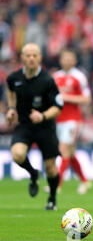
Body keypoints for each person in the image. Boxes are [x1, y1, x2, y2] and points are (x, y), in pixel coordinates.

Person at [5, 43, 63, 210]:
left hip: (45, 127)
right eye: (27, 55)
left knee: (51, 168)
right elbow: (10, 91)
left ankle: (52, 198)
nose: (31, 58)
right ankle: (33, 173)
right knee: (17, 155)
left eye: (34, 55)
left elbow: (58, 106)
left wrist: (43, 115)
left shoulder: (47, 80)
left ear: (40, 58)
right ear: (22, 58)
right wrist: (11, 109)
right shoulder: (14, 78)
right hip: (25, 126)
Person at [52, 48, 92, 194]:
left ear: (75, 60)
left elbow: (87, 98)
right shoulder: (55, 76)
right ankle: (85, 181)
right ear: (60, 60)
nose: (67, 60)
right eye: (65, 58)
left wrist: (66, 97)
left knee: (63, 149)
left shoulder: (79, 76)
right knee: (69, 152)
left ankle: (57, 184)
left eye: (70, 58)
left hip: (73, 119)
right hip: (58, 119)